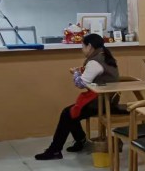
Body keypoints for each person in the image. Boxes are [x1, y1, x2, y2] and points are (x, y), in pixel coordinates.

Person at [35, 33, 119, 161]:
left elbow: (80, 84)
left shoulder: (95, 62)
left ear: (89, 46)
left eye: (83, 47)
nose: (82, 50)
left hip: (100, 102)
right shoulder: (106, 57)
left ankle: (55, 150)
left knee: (67, 114)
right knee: (71, 112)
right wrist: (80, 72)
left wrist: (75, 73)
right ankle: (80, 140)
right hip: (109, 100)